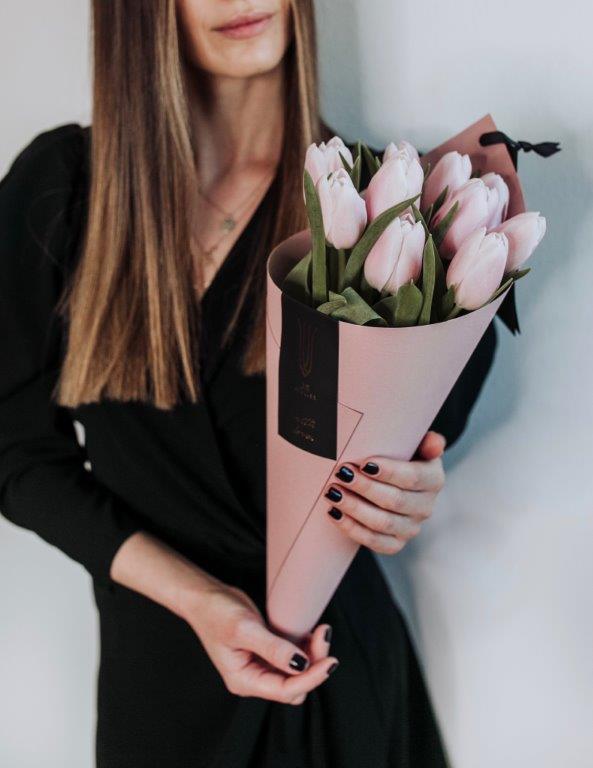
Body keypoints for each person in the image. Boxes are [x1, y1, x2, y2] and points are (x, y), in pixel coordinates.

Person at [0, 1, 501, 765]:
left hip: (337, 682)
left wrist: (406, 489)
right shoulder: (64, 189)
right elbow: (17, 454)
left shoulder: (397, 221)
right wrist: (198, 600)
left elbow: (419, 448)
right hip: (159, 693)